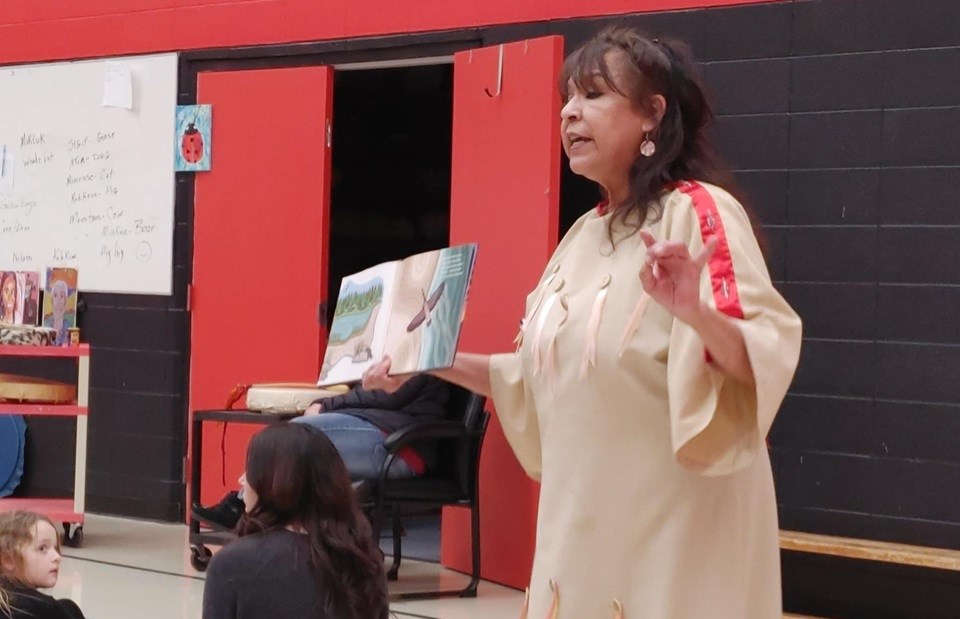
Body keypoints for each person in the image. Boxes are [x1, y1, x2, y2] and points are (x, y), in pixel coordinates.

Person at [363, 26, 802, 618]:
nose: (569, 112)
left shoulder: (698, 211)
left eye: (593, 95)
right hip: (581, 520)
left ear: (652, 115)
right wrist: (429, 361)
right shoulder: (581, 235)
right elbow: (534, 379)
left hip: (673, 525)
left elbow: (761, 356)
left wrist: (696, 312)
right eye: (567, 97)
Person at [193, 374, 449, 529]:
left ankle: (243, 506)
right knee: (292, 439)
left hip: (401, 446)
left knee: (297, 436)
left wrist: (327, 405)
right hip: (379, 430)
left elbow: (389, 394)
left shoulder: (422, 344)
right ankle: (254, 511)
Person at [201, 424, 389, 619]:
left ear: (277, 481)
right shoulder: (364, 559)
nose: (242, 480)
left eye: (250, 471)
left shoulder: (232, 563)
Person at [0, 510, 86, 619]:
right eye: (42, 548)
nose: (57, 557)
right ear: (8, 560)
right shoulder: (45, 609)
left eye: (56, 548)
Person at [42, 279, 73, 346]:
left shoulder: (69, 327)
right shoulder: (46, 326)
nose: (58, 301)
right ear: (52, 300)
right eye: (55, 296)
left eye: (61, 296)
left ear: (65, 302)